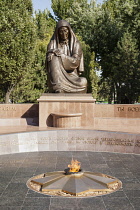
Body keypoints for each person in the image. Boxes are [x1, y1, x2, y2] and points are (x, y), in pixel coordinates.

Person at [46, 20, 87, 93]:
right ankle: (58, 87)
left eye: (65, 31)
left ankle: (63, 88)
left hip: (72, 76)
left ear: (69, 31)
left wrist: (61, 56)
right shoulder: (52, 43)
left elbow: (76, 62)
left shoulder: (76, 44)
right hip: (57, 77)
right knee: (53, 56)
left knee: (83, 81)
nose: (63, 34)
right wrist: (52, 52)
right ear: (57, 32)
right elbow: (48, 60)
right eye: (61, 31)